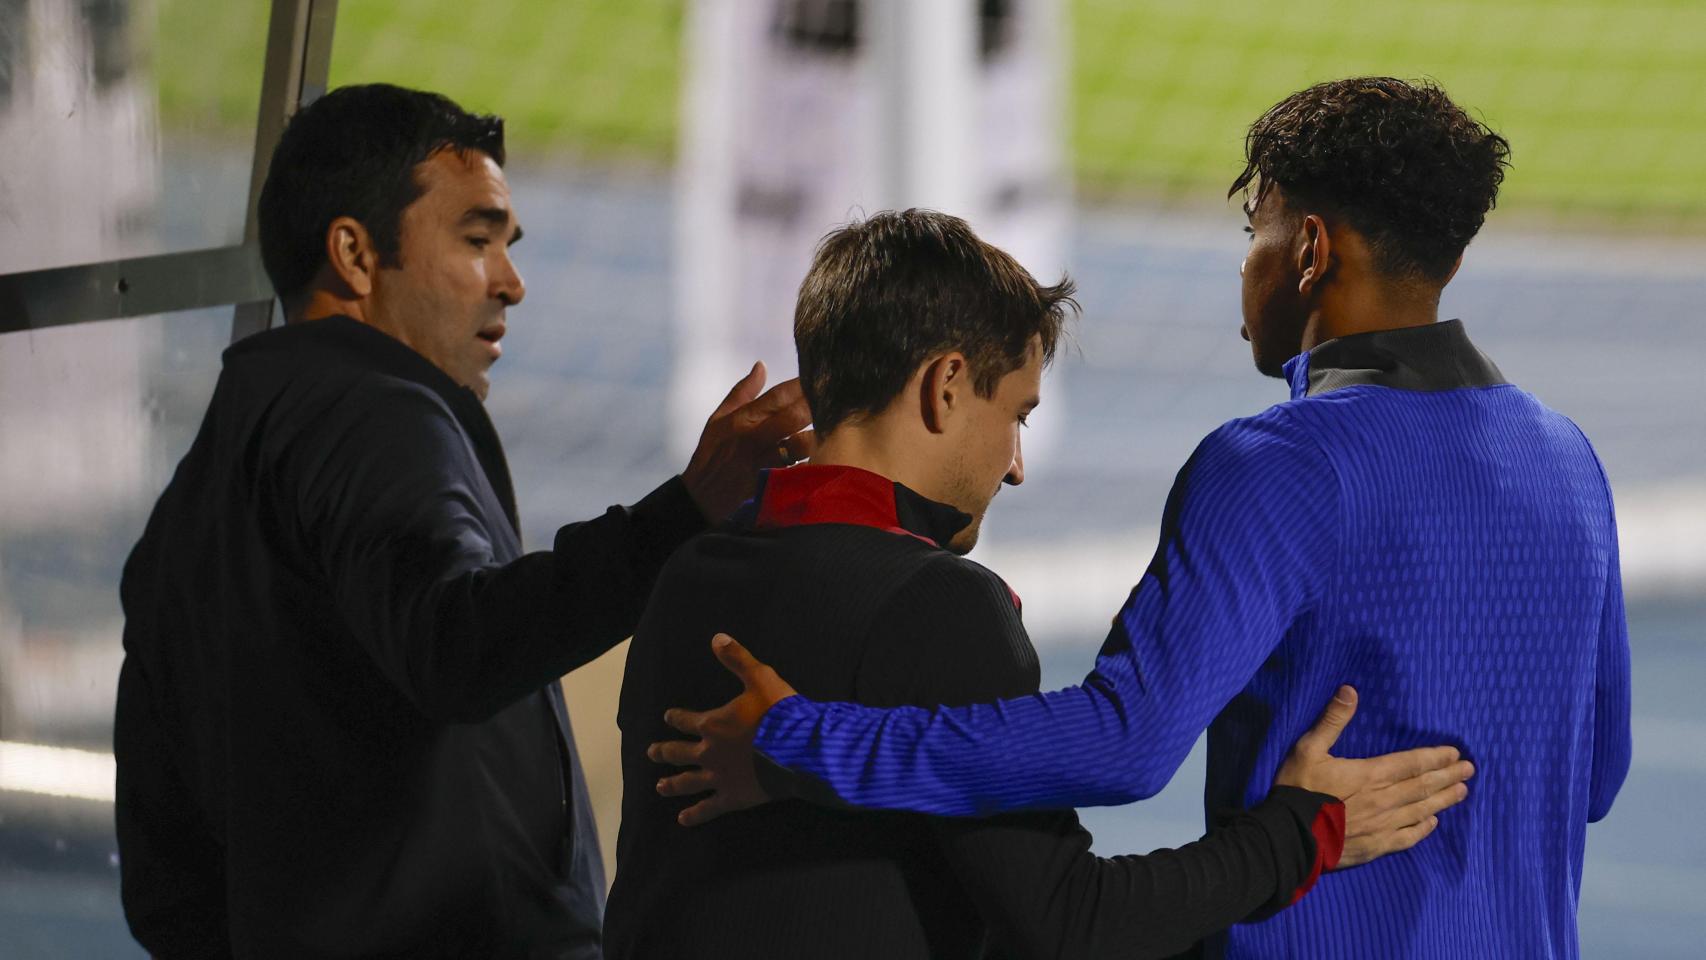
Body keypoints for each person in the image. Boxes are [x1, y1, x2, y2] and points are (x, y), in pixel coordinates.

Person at [653, 79, 1632, 958]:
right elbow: (1594, 776)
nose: (1244, 266)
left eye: (1257, 227)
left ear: (1309, 249)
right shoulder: (1567, 460)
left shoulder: (1276, 465)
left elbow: (1123, 744)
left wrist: (802, 743)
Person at [610, 210, 1471, 959]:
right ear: (946, 387)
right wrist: (1302, 830)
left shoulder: (688, 574)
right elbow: (1072, 923)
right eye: (1016, 414)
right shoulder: (939, 605)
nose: (1015, 468)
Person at [112, 84, 811, 959]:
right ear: (354, 254)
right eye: (476, 240)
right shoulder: (370, 406)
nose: (511, 283)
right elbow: (458, 644)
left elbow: (160, 863)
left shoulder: (200, 494)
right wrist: (686, 510)